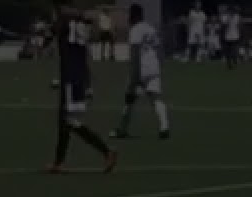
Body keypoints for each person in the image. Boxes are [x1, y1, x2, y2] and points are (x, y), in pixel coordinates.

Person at [48, 0, 116, 173]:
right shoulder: (80, 25)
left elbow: (53, 32)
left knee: (69, 121)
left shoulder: (65, 21)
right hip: (77, 76)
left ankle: (106, 151)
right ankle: (58, 162)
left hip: (70, 77)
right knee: (64, 120)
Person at [111, 3, 171, 140]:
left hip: (141, 68)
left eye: (129, 14)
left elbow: (135, 52)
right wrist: (160, 65)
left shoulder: (135, 30)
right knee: (156, 98)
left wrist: (134, 76)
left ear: (134, 15)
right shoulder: (150, 28)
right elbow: (159, 48)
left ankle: (122, 129)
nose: (128, 17)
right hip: (154, 67)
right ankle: (164, 127)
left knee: (129, 99)